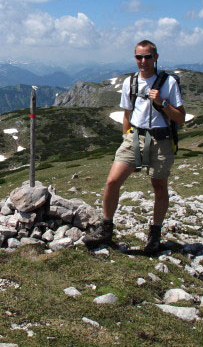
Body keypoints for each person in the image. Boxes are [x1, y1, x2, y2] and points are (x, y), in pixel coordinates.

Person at [85, 39, 185, 254]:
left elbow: (181, 118)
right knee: (112, 181)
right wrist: (126, 137)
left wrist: (163, 104)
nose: (143, 61)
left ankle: (155, 234)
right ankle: (106, 227)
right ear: (135, 58)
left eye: (147, 57)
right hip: (134, 137)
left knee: (159, 188)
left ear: (155, 57)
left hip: (161, 140)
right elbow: (127, 114)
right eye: (139, 57)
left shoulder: (168, 83)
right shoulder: (129, 82)